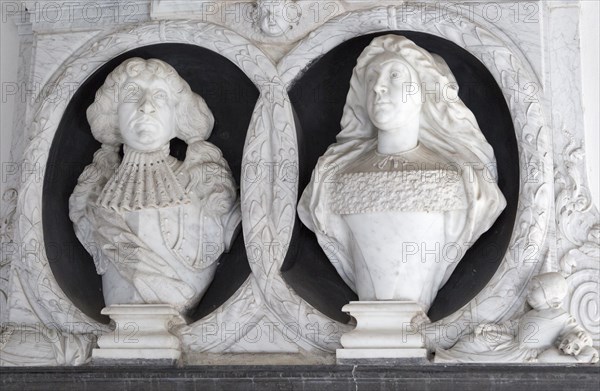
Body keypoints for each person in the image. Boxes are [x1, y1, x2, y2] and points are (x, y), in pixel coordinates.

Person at [298, 35, 506, 311]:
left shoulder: (463, 180)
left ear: (423, 91)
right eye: (372, 77)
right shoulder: (330, 177)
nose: (379, 87)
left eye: (394, 75)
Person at [69, 58, 240, 314]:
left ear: (177, 115)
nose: (145, 107)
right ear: (114, 116)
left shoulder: (209, 191)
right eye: (131, 95)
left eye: (159, 96)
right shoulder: (93, 198)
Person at [435, 272, 599, 363]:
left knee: (483, 360)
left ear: (553, 299)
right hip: (510, 342)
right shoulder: (530, 313)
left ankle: (453, 362)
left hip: (522, 354)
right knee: (475, 341)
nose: (528, 292)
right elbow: (513, 326)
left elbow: (580, 336)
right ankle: (447, 356)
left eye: (534, 289)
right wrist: (493, 328)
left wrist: (587, 339)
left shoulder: (561, 316)